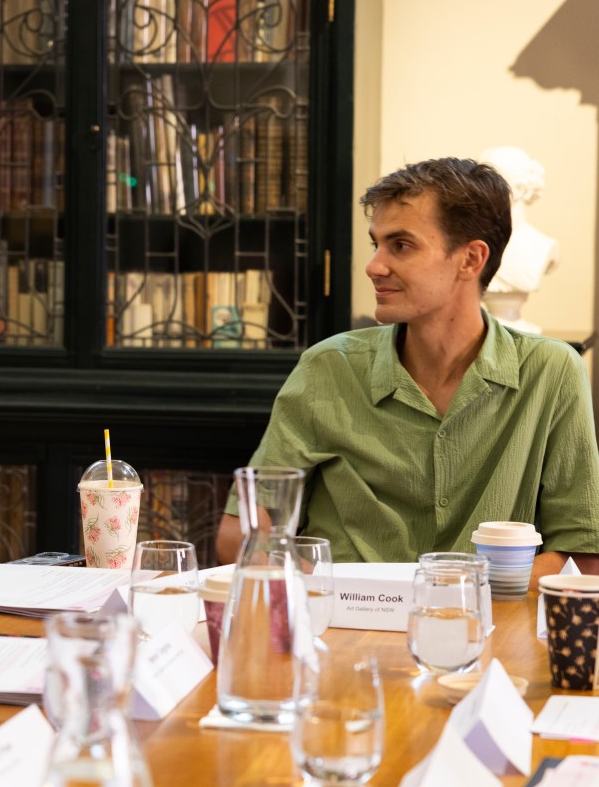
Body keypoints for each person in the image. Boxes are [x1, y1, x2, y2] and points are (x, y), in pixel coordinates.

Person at [216, 157, 599, 581]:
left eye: (400, 245)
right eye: (376, 244)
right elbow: (240, 534)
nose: (374, 266)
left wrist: (456, 594)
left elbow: (581, 553)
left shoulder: (551, 372)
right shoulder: (328, 367)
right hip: (340, 615)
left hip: (482, 618)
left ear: (471, 259)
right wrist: (326, 587)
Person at [479, 146, 560, 333]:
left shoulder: (544, 247)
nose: (481, 188)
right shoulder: (475, 246)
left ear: (520, 188)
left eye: (491, 180)